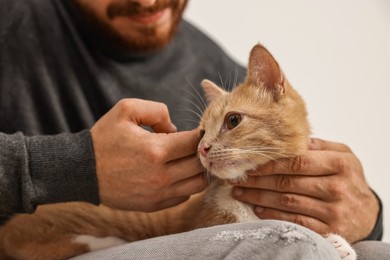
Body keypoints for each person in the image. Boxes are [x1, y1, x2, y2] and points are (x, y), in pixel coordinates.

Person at [0, 0, 387, 258]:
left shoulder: (216, 64)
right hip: (41, 237)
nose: (149, 1)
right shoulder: (13, 19)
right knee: (287, 246)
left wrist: (366, 215)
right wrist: (77, 164)